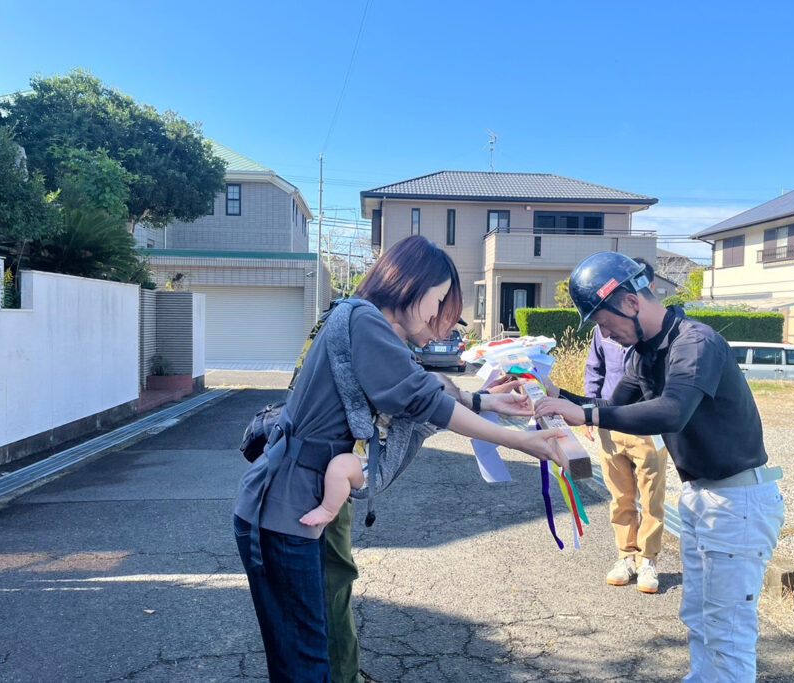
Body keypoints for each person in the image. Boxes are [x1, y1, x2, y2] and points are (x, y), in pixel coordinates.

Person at [234, 235, 570, 683]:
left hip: (293, 505)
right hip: (285, 508)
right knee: (304, 661)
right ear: (410, 284)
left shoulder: (363, 322)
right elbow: (423, 400)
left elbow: (421, 387)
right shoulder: (364, 320)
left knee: (310, 649)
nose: (437, 316)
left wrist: (487, 403)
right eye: (437, 301)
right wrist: (521, 442)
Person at [534, 252, 785, 683]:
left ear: (630, 301)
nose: (604, 333)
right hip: (703, 497)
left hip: (738, 500)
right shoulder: (643, 354)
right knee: (701, 619)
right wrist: (555, 393)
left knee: (727, 632)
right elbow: (610, 406)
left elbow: (672, 412)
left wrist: (588, 417)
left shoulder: (696, 343)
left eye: (602, 320)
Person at [583, 258, 668, 594]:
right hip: (609, 420)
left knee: (652, 497)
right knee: (620, 496)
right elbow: (594, 371)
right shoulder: (602, 330)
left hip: (648, 424)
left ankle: (649, 560)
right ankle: (626, 556)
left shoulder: (656, 333)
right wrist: (589, 412)